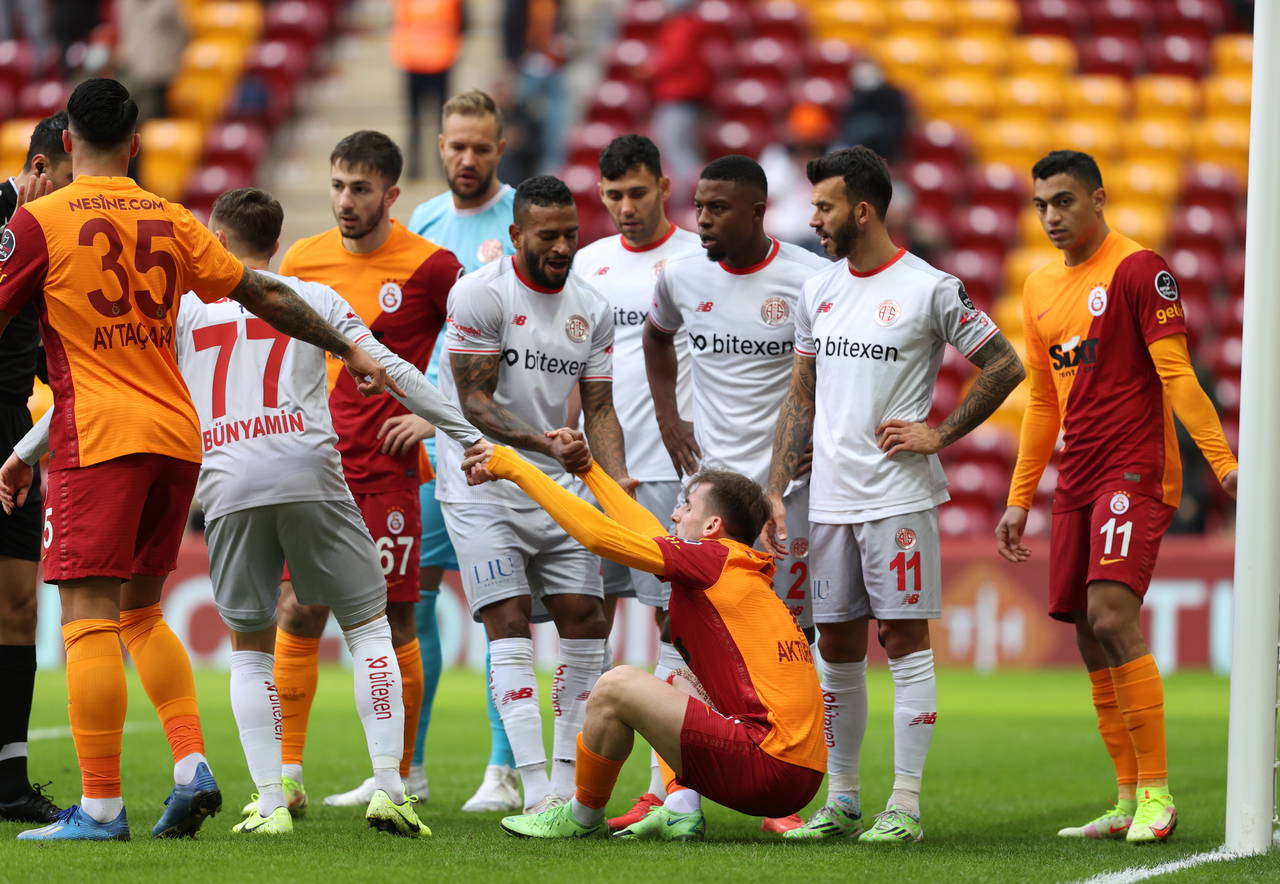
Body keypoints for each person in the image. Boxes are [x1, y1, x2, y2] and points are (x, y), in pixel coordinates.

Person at [4, 187, 482, 838]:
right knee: (370, 629)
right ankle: (391, 789)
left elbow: (105, 386)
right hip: (310, 471)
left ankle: (271, 802)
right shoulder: (311, 298)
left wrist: (24, 452)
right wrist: (466, 434)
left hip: (229, 483)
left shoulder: (179, 309)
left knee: (250, 649)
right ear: (277, 244)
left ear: (217, 242)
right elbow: (394, 369)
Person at [765, 146, 1024, 844]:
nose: (812, 219)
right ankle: (843, 799)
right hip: (828, 500)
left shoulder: (930, 288)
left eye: (823, 207)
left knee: (903, 639)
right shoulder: (818, 290)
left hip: (897, 498)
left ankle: (904, 805)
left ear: (862, 210)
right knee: (837, 647)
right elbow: (800, 397)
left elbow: (1005, 365)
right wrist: (775, 488)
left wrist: (940, 434)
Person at [994, 150, 1238, 845]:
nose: (1051, 217)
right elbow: (1044, 403)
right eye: (1041, 205)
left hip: (1135, 467)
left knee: (1110, 612)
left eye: (1064, 201)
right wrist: (1019, 497)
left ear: (1098, 200)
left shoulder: (1138, 269)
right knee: (1086, 630)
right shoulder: (1039, 286)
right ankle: (1127, 799)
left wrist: (1223, 465)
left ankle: (1159, 795)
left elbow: (1178, 375)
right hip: (1076, 475)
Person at [456, 438, 824, 841]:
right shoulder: (736, 566)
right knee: (679, 681)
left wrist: (515, 466)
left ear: (711, 527)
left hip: (766, 768)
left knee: (616, 684)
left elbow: (598, 537)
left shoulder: (709, 559)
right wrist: (588, 471)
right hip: (799, 779)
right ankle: (680, 810)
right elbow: (643, 529)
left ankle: (580, 816)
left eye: (687, 507)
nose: (675, 513)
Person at [271, 131, 463, 811]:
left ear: (391, 194)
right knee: (298, 610)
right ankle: (287, 777)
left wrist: (434, 420)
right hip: (314, 466)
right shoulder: (304, 258)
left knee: (394, 618)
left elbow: (484, 344)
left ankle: (400, 778)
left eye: (360, 188)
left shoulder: (431, 267)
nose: (345, 201)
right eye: (337, 186)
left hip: (386, 470)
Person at [641, 153, 828, 835]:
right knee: (680, 633)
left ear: (757, 211)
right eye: (699, 207)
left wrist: (820, 432)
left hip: (785, 490)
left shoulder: (808, 279)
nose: (702, 220)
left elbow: (834, 366)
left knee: (792, 635)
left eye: (717, 209)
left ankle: (785, 796)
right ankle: (675, 799)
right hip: (713, 493)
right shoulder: (681, 275)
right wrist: (669, 417)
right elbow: (656, 337)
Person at [434, 174, 626, 813]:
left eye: (572, 234)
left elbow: (600, 408)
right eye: (548, 236)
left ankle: (568, 783)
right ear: (516, 234)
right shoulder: (481, 294)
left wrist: (616, 481)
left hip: (555, 483)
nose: (564, 247)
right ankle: (535, 787)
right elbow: (475, 401)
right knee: (508, 618)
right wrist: (546, 446)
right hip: (482, 480)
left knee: (586, 617)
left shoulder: (592, 307)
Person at [572, 133, 700, 828]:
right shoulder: (587, 264)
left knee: (672, 625)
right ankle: (577, 783)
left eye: (638, 193)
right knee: (588, 621)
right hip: (599, 475)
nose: (626, 206)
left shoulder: (696, 261)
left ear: (665, 187)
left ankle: (670, 788)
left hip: (673, 474)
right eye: (615, 195)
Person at [406, 88, 520, 812]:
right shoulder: (422, 222)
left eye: (481, 146)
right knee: (412, 600)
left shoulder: (521, 221)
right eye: (457, 146)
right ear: (440, 146)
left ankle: (503, 769)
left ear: (500, 148)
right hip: (426, 438)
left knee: (500, 604)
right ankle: (407, 768)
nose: (468, 158)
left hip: (493, 442)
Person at [0, 111, 71, 826]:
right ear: (41, 168)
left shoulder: (56, 238)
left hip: (13, 430)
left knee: (20, 606)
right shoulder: (4, 219)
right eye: (68, 182)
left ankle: (9, 782)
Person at [391, 0, 465, 179]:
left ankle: (430, 164)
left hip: (436, 58)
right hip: (420, 58)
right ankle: (420, 165)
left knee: (433, 119)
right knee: (419, 118)